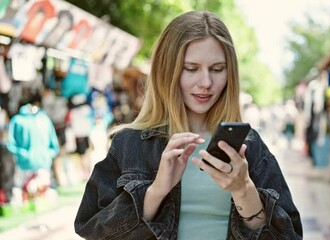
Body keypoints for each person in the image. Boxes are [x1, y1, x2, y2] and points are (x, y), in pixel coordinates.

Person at [74, 11, 302, 240]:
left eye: (217, 69)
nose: (206, 83)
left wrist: (245, 192)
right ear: (167, 70)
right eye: (191, 68)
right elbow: (92, 230)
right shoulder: (130, 143)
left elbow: (291, 236)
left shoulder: (249, 145)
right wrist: (156, 191)